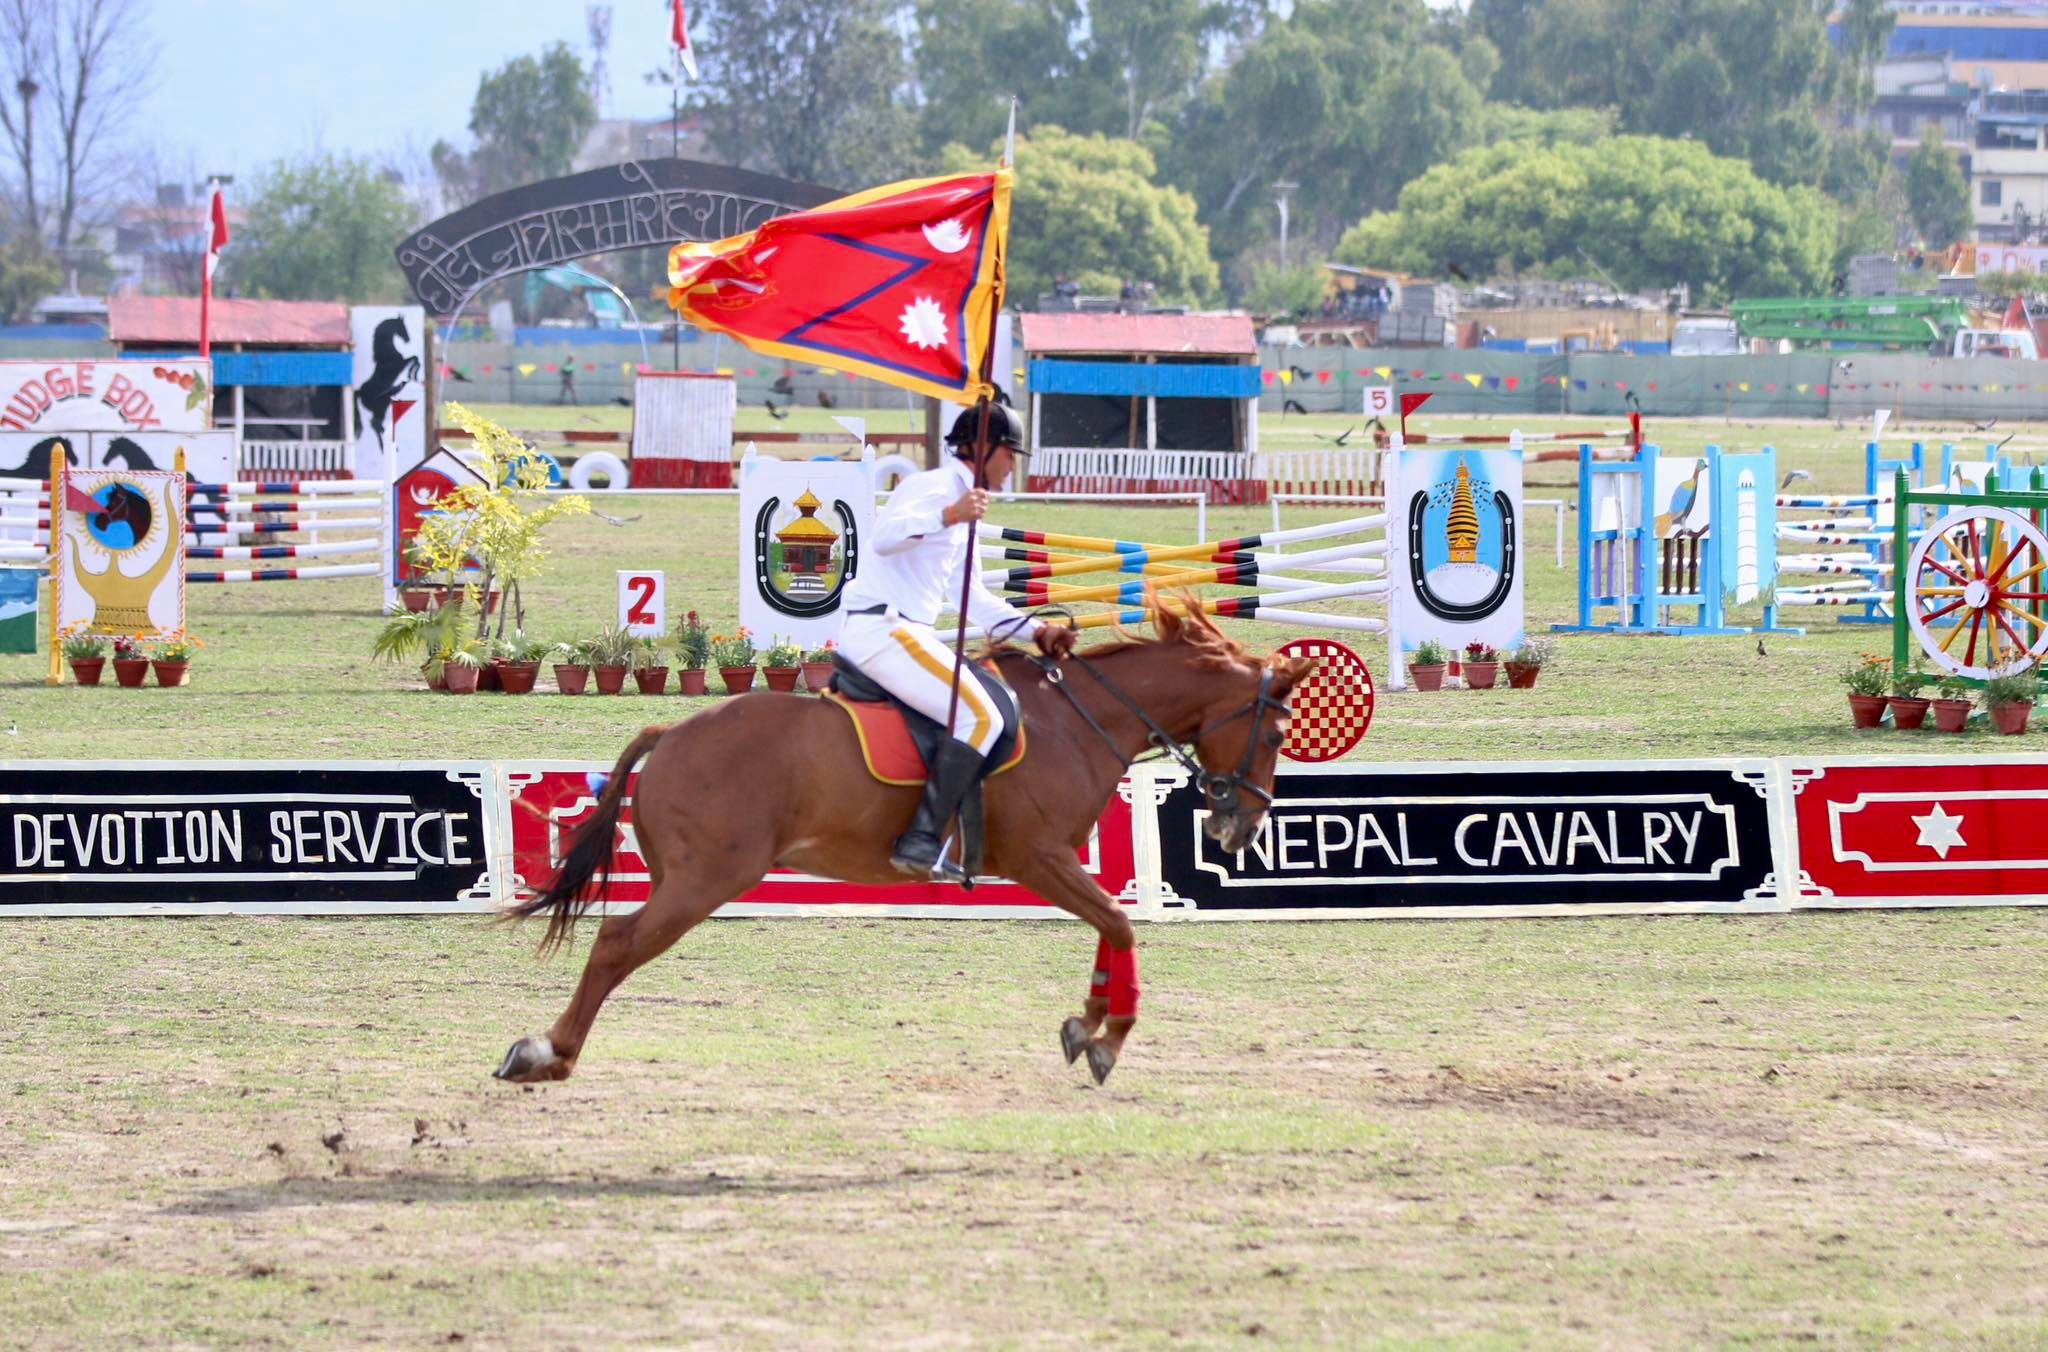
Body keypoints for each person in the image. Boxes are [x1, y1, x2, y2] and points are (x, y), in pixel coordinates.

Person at [835, 401, 1076, 882]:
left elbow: (973, 599)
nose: (1012, 467)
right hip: (884, 629)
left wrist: (1036, 632)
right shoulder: (932, 487)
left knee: (989, 706)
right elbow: (883, 537)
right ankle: (921, 840)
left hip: (906, 632)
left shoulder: (969, 508)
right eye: (1010, 455)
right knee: (980, 716)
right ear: (983, 449)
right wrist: (948, 514)